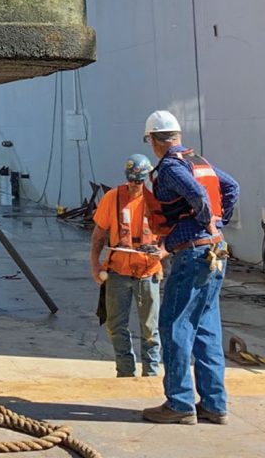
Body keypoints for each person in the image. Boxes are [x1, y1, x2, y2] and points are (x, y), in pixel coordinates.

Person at [140, 110, 239, 426]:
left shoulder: (170, 167)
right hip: (216, 252)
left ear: (155, 140)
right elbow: (231, 186)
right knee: (207, 328)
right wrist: (217, 224)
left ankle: (180, 403)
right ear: (177, 136)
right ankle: (214, 404)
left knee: (174, 325)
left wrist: (199, 222)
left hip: (193, 254)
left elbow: (196, 196)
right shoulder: (200, 163)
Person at [90, 154, 163, 378]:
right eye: (131, 180)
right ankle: (125, 372)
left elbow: (168, 234)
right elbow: (99, 235)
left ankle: (150, 373)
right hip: (118, 273)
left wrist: (161, 256)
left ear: (147, 178)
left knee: (150, 330)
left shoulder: (157, 200)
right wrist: (95, 265)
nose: (134, 185)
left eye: (139, 181)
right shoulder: (112, 198)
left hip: (147, 272)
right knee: (116, 326)